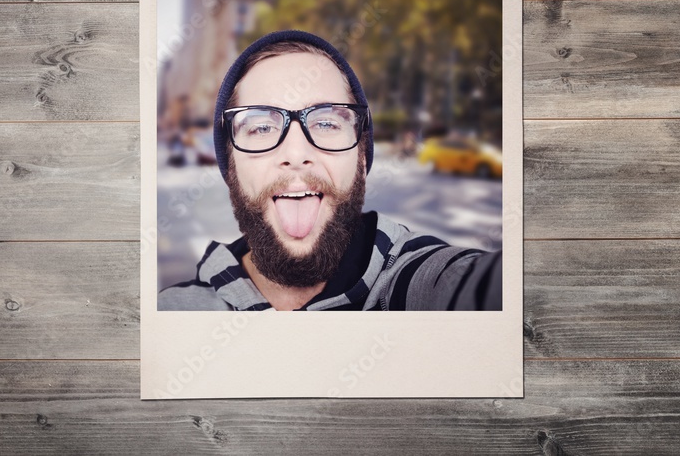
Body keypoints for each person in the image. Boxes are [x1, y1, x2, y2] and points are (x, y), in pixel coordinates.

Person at [158, 30, 502, 311]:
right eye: (261, 127)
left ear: (362, 158)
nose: (295, 153)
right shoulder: (172, 313)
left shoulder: (414, 280)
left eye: (325, 122)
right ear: (230, 164)